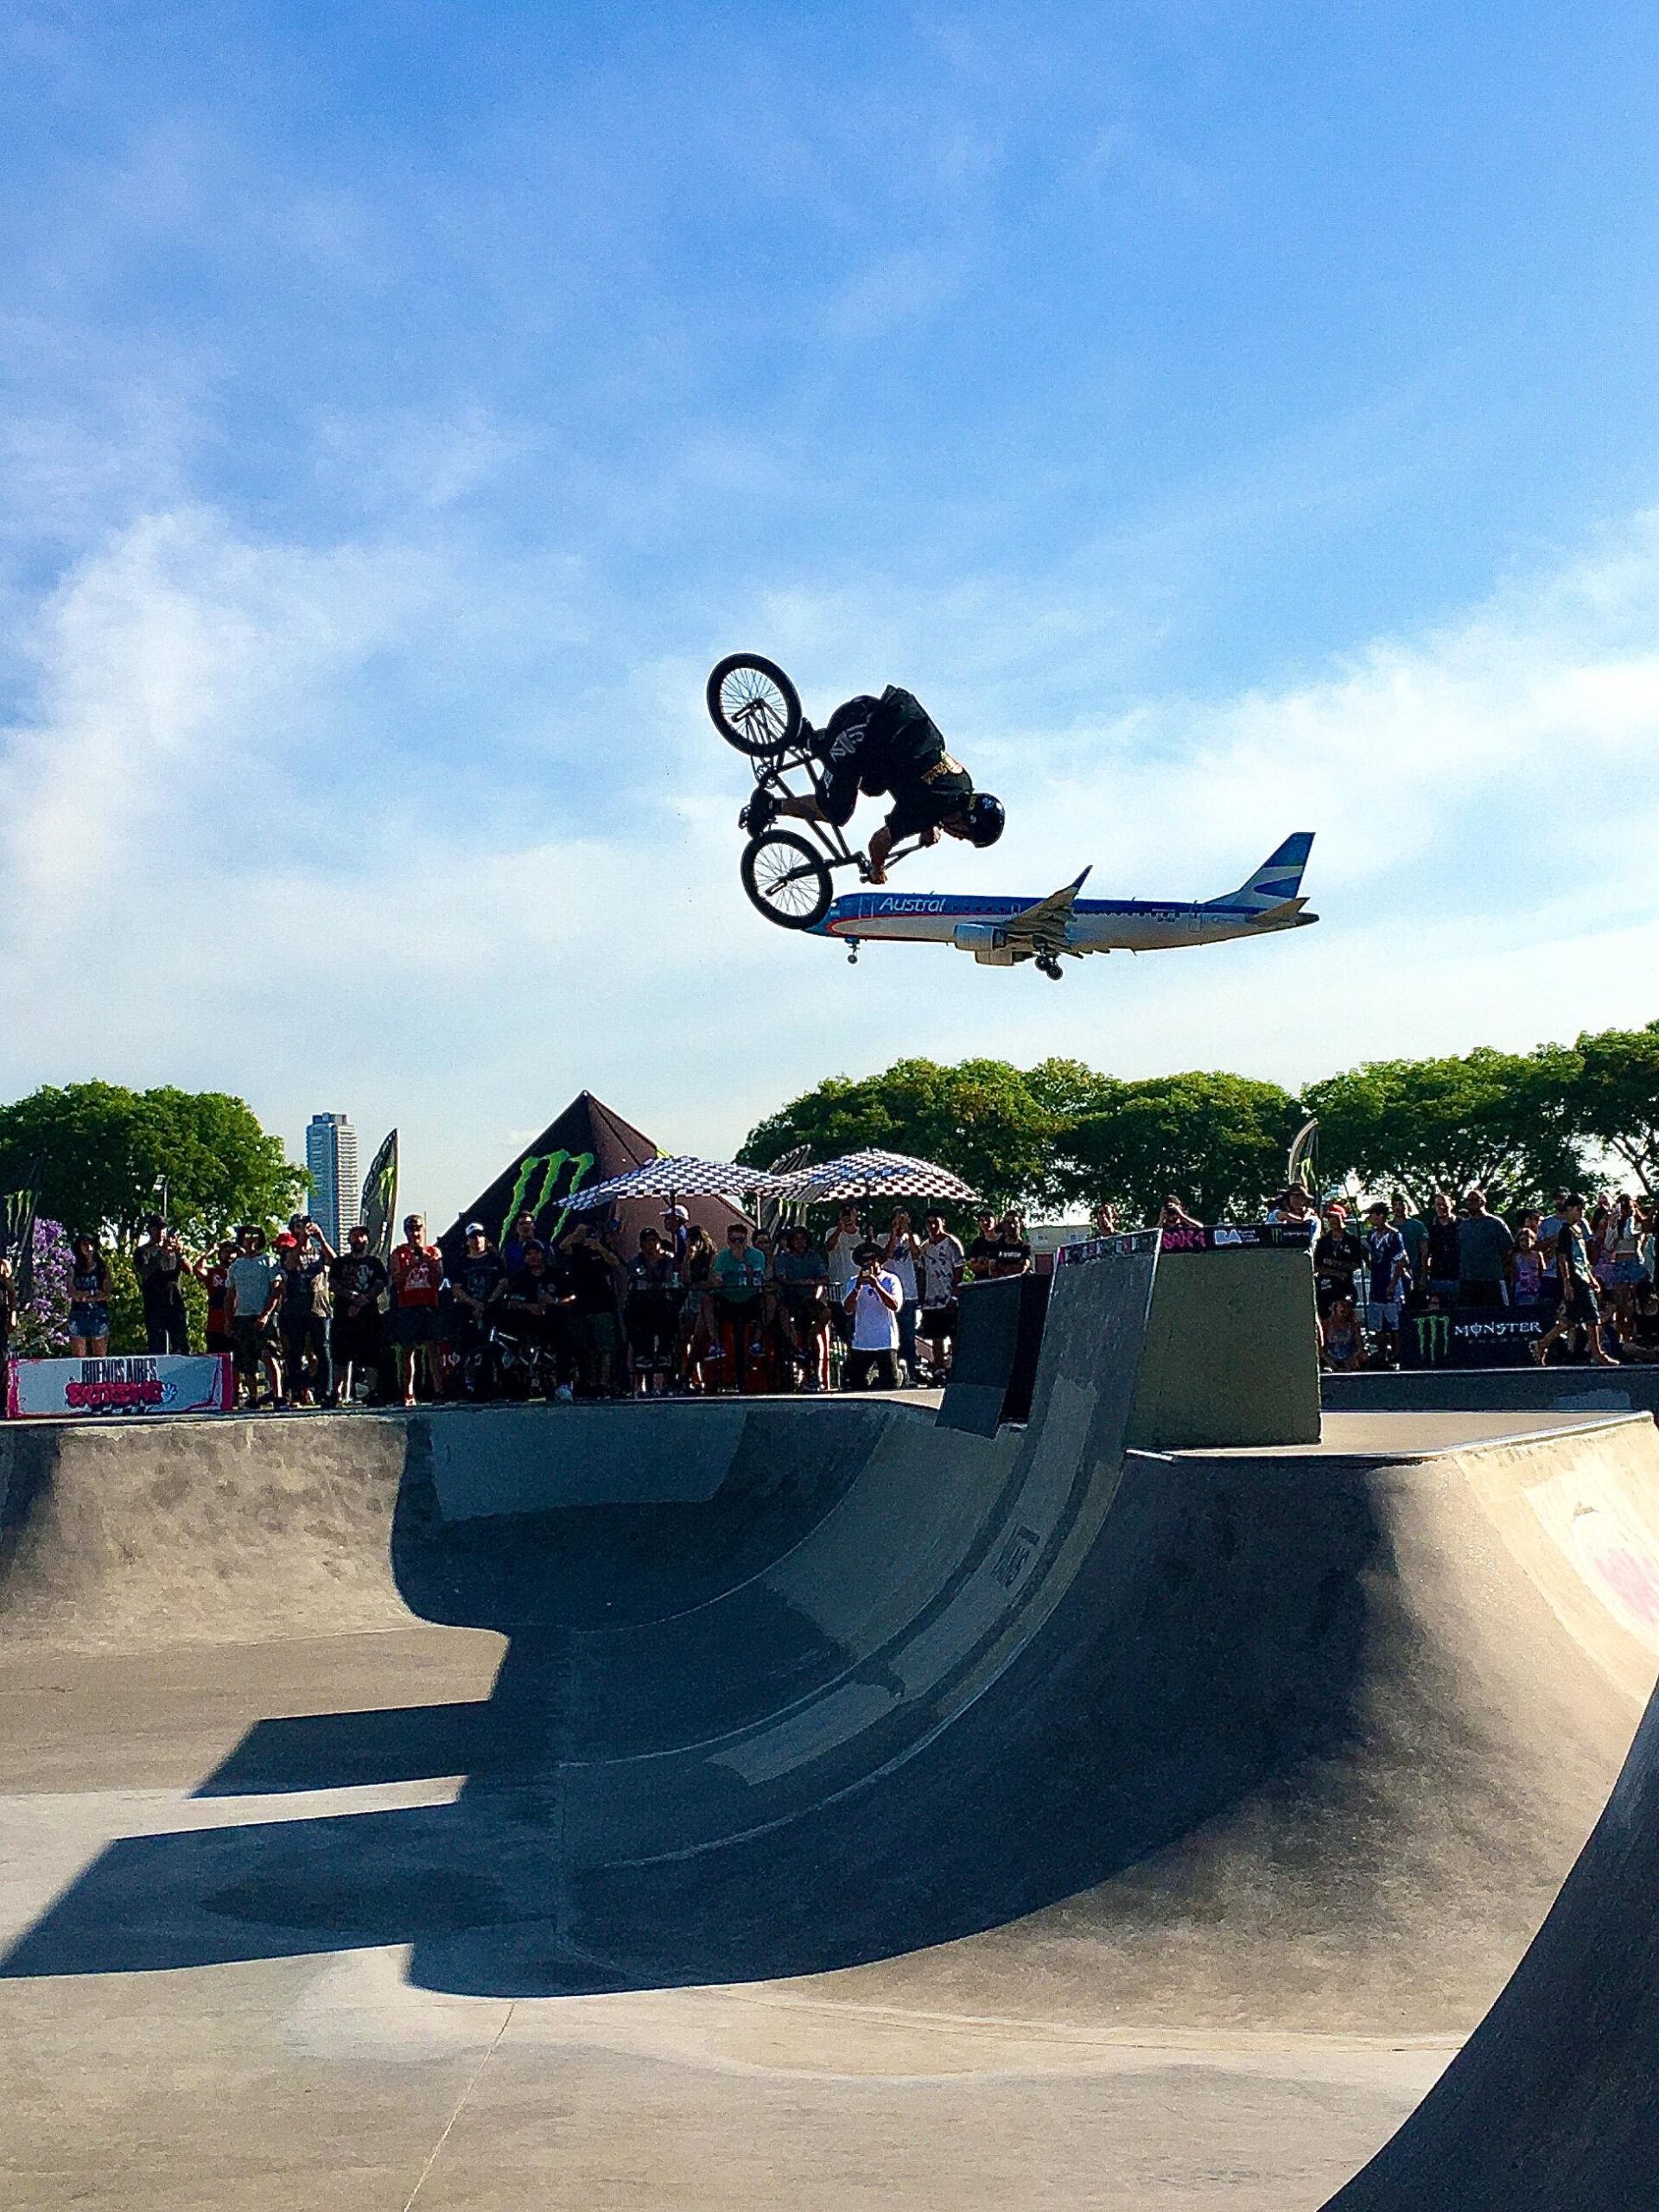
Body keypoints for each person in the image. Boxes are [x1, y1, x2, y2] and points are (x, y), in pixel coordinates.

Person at [752, 687, 1005, 884]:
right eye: (965, 835)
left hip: (876, 719)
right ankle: (770, 804)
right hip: (858, 729)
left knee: (873, 787)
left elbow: (927, 786)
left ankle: (816, 741)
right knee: (837, 812)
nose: (959, 838)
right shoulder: (926, 809)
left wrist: (929, 825)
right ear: (964, 819)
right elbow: (878, 842)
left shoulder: (961, 784)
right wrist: (877, 868)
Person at [1533, 1196, 1620, 1369]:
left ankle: (1542, 1344)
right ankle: (1598, 1353)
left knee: (1571, 1319)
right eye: (1578, 1209)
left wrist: (1591, 1277)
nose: (1581, 1212)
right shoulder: (1565, 1231)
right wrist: (1567, 1283)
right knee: (1593, 1316)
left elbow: (1583, 1258)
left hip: (1583, 1275)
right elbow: (1562, 1258)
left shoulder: (1578, 1229)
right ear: (1569, 1209)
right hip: (1575, 1279)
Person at [555, 1218, 628, 1396]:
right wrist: (577, 1234)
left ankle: (604, 1382)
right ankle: (591, 1381)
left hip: (603, 1305)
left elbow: (616, 1264)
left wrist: (599, 1247)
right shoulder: (575, 1250)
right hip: (581, 1306)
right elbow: (562, 1248)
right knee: (586, 1348)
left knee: (605, 1347)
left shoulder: (602, 1251)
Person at [389, 1214, 446, 1408]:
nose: (415, 1233)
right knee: (408, 1351)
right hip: (408, 1306)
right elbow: (396, 1278)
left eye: (418, 1228)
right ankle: (408, 1393)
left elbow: (440, 1278)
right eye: (411, 1229)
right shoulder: (399, 1253)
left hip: (428, 1304)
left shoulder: (433, 1251)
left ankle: (438, 1391)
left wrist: (429, 1262)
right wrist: (411, 1265)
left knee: (433, 1349)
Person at [224, 1225, 283, 1408]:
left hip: (263, 1316)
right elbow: (230, 1295)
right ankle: (253, 1397)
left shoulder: (269, 1262)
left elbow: (276, 1290)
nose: (250, 1240)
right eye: (247, 1237)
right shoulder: (235, 1266)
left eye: (254, 1237)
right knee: (246, 1360)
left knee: (269, 1355)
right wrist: (229, 1320)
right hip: (242, 1317)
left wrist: (266, 1315)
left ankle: (278, 1395)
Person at [278, 1220, 335, 1407]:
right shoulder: (289, 1252)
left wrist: (321, 1238)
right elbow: (290, 1265)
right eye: (299, 1226)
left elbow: (335, 1262)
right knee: (295, 1352)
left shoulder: (320, 1252)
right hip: (296, 1310)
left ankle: (325, 1392)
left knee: (323, 1351)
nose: (303, 1229)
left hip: (320, 1309)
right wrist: (302, 1239)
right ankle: (296, 1393)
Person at [329, 1225, 389, 1403]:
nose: (358, 1240)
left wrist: (363, 1300)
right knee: (340, 1357)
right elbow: (334, 1285)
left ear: (367, 1240)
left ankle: (373, 1391)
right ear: (349, 1239)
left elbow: (380, 1284)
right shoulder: (340, 1263)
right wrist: (352, 1297)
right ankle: (336, 1393)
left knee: (371, 1356)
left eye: (362, 1236)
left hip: (369, 1317)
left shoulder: (375, 1263)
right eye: (355, 1236)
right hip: (343, 1317)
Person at [709, 1220, 768, 1392]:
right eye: (734, 1240)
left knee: (767, 1303)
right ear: (728, 1241)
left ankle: (756, 1341)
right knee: (707, 1300)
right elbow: (717, 1277)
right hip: (728, 1298)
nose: (737, 1244)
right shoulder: (722, 1257)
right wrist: (718, 1279)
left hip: (750, 1298)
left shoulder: (756, 1255)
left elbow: (758, 1277)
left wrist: (745, 1266)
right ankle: (716, 1343)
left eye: (741, 1240)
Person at [448, 1223, 506, 1395]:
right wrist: (474, 1304)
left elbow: (503, 1282)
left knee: (495, 1347)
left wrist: (489, 1302)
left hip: (493, 1311)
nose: (477, 1239)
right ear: (467, 1240)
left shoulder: (495, 1260)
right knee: (469, 1348)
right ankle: (468, 1386)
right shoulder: (461, 1263)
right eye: (473, 1236)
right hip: (469, 1312)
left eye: (480, 1235)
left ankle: (499, 1384)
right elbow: (456, 1289)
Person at [772, 1224, 831, 1390]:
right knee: (783, 1311)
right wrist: (798, 1283)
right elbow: (782, 1278)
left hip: (809, 1299)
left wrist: (811, 1282)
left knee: (826, 1312)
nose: (800, 1242)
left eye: (803, 1239)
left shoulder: (814, 1257)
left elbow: (825, 1278)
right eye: (796, 1239)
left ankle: (808, 1339)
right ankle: (794, 1346)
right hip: (790, 1297)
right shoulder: (783, 1258)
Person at [625, 1227, 682, 1395]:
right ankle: (643, 1361)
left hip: (664, 1306)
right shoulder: (636, 1262)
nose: (650, 1245)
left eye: (653, 1241)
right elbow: (633, 1283)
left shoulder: (669, 1261)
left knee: (668, 1322)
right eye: (646, 1242)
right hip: (642, 1308)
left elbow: (673, 1282)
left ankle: (664, 1359)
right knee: (638, 1324)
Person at [841, 1242, 904, 1389]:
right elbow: (848, 1309)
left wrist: (876, 1285)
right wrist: (857, 1287)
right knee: (857, 1383)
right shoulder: (853, 1281)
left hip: (885, 1340)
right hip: (862, 1341)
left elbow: (895, 1306)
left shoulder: (890, 1279)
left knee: (890, 1383)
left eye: (872, 1258)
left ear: (879, 1260)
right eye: (865, 1260)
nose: (869, 1263)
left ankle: (900, 1372)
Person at [1363, 1200, 1411, 1369]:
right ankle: (1381, 1353)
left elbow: (1401, 1261)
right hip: (1376, 1282)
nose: (1370, 1219)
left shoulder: (1394, 1235)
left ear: (1381, 1216)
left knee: (1394, 1321)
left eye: (1372, 1215)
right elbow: (1371, 1257)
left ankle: (1397, 1353)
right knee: (1378, 1321)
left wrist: (1393, 1284)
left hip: (1391, 1282)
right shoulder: (1371, 1235)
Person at [917, 1211, 965, 1379]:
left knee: (953, 1336)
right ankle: (939, 1369)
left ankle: (958, 1369)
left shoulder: (951, 1243)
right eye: (929, 1222)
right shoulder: (925, 1247)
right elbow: (922, 1272)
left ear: (942, 1222)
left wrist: (955, 1295)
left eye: (935, 1222)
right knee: (935, 1337)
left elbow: (959, 1269)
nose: (932, 1226)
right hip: (931, 1299)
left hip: (948, 1296)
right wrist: (922, 1296)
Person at [135, 1215, 191, 1353]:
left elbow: (189, 1270)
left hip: (175, 1303)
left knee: (180, 1344)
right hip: (154, 1305)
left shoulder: (173, 1251)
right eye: (157, 1228)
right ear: (151, 1230)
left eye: (164, 1228)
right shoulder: (143, 1251)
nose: (161, 1232)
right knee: (156, 1346)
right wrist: (161, 1253)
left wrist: (179, 1252)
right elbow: (145, 1271)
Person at [1455, 1188, 1514, 1310]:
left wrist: (1496, 1263)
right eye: (1467, 1201)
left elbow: (1509, 1249)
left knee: (1497, 1313)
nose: (1470, 1203)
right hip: (1468, 1279)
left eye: (1474, 1200)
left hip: (1492, 1278)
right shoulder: (1463, 1226)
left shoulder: (1495, 1223)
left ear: (1482, 1202)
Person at [882, 1209, 924, 1381]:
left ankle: (911, 1373)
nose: (900, 1224)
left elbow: (916, 1255)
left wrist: (908, 1231)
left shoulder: (913, 1238)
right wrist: (894, 1233)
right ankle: (892, 1372)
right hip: (889, 1293)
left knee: (908, 1336)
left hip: (909, 1293)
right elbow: (887, 1255)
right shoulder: (882, 1238)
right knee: (892, 1335)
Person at [1313, 1205, 1364, 1320]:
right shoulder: (1323, 1242)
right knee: (1325, 1316)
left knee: (1347, 1315)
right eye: (1330, 1218)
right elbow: (1316, 1265)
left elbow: (1357, 1263)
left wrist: (1338, 1264)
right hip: (1326, 1287)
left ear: (1342, 1218)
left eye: (1335, 1217)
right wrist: (1335, 1273)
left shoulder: (1352, 1241)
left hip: (1346, 1286)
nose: (1332, 1221)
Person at [67, 1235, 112, 1357]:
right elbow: (72, 1292)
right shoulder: (73, 1268)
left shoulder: (102, 1268)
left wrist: (88, 1295)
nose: (88, 1247)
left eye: (91, 1244)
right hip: (78, 1312)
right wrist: (90, 1294)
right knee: (78, 1356)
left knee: (99, 1356)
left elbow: (106, 1293)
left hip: (98, 1312)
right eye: (84, 1244)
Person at [823, 1205, 864, 1344]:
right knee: (843, 1329)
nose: (847, 1216)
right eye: (844, 1213)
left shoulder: (863, 1234)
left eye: (850, 1213)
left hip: (859, 1289)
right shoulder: (832, 1232)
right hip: (838, 1290)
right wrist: (840, 1230)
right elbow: (829, 1247)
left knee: (856, 1329)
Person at [194, 1239, 237, 1357]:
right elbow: (198, 1268)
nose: (229, 1255)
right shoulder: (213, 1272)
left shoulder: (240, 1273)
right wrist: (210, 1252)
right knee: (215, 1358)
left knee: (235, 1360)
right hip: (215, 1324)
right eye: (226, 1252)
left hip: (235, 1323)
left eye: (232, 1252)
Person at [1423, 1192, 1461, 1305]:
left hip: (1458, 1276)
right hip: (1437, 1276)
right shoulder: (1429, 1226)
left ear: (1451, 1204)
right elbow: (1425, 1252)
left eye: (1444, 1204)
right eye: (1438, 1204)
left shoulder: (1461, 1224)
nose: (1441, 1207)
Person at [1320, 1292, 1364, 1372]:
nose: (1345, 1309)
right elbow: (1321, 1347)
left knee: (1363, 1358)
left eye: (1347, 1307)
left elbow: (1359, 1345)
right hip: (1330, 1357)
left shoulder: (1353, 1325)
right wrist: (1329, 1360)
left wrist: (1354, 1357)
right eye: (1342, 1306)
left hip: (1348, 1356)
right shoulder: (1326, 1325)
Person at [989, 1211, 1033, 1277]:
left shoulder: (1025, 1246)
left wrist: (1003, 1267)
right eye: (1009, 1223)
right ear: (1004, 1225)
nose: (1012, 1226)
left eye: (1015, 1223)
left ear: (1020, 1224)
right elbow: (993, 1267)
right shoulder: (996, 1246)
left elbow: (1025, 1266)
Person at [964, 1209, 1000, 1282]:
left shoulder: (1003, 1240)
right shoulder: (978, 1242)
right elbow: (972, 1265)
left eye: (987, 1219)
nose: (985, 1223)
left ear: (995, 1220)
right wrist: (987, 1266)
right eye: (981, 1220)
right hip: (982, 1280)